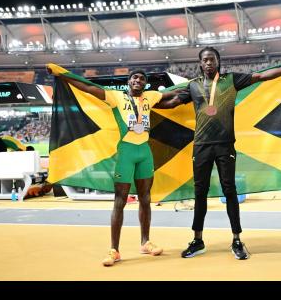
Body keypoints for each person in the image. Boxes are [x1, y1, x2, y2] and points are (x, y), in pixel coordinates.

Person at [161, 47, 281, 260]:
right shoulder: (193, 86)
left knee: (229, 190)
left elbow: (262, 76)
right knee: (200, 193)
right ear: (200, 63)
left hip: (224, 145)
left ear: (218, 61)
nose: (208, 63)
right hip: (202, 145)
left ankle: (237, 239)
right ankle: (197, 240)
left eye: (212, 59)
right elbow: (172, 102)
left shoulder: (231, 80)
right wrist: (144, 103)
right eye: (204, 60)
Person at [47, 66, 182, 266]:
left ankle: (145, 242)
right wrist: (62, 75)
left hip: (144, 153)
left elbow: (176, 93)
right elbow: (87, 87)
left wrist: (199, 87)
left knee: (146, 199)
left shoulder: (151, 96)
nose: (138, 80)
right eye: (135, 77)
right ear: (128, 81)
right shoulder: (116, 97)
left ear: (145, 84)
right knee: (120, 201)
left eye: (142, 79)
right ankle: (114, 250)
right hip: (126, 153)